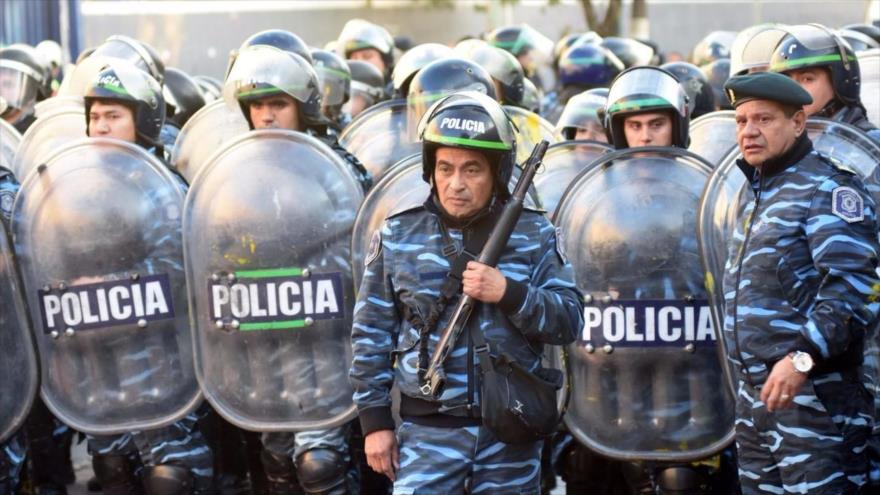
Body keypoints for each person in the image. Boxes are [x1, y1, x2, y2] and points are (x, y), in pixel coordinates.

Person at [349, 90, 583, 493]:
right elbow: (371, 333)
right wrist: (375, 422)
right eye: (445, 168)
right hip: (427, 432)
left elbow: (569, 320)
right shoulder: (399, 232)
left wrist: (509, 293)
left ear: (496, 173)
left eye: (472, 169)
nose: (456, 184)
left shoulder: (533, 232)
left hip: (512, 428)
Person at [722, 71, 879, 493]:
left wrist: (801, 359)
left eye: (764, 119)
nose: (749, 132)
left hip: (815, 401)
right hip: (757, 399)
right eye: (741, 121)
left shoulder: (828, 189)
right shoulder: (757, 191)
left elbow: (855, 291)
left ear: (797, 123)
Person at [225, 44, 369, 495]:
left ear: (303, 107)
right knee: (279, 460)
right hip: (263, 337)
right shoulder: (234, 173)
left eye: (278, 104)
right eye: (257, 106)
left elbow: (361, 253)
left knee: (318, 462)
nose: (265, 116)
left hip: (323, 339)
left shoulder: (335, 169)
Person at [83, 61, 215, 494]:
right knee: (111, 469)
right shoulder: (76, 191)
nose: (100, 127)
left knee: (170, 477)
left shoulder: (163, 188)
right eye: (94, 116)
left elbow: (175, 272)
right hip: (100, 367)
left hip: (161, 363)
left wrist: (101, 290)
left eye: (113, 116)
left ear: (142, 121)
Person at [768, 23, 880, 142]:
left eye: (807, 79)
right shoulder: (779, 142)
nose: (793, 89)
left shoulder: (869, 143)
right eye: (787, 79)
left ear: (839, 82)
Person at [604, 66, 690, 149]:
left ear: (677, 128)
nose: (645, 137)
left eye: (657, 125)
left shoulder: (695, 164)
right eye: (635, 126)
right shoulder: (602, 164)